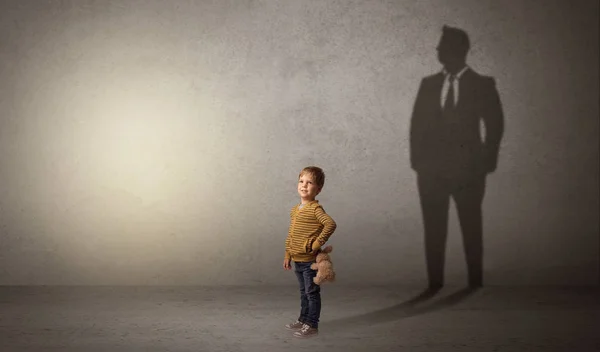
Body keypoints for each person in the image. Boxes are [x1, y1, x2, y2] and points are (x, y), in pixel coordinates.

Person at [409, 25, 504, 289]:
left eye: (443, 45)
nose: (438, 50)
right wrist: (418, 164)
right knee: (434, 229)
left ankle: (475, 281)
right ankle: (434, 283)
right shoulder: (428, 84)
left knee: (471, 225)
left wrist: (486, 163)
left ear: (459, 50)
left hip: (469, 171)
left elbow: (495, 125)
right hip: (431, 174)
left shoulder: (482, 84)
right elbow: (416, 126)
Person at [282, 166, 337, 338]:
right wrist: (287, 254)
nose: (304, 185)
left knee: (311, 293)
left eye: (310, 182)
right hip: (297, 259)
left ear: (318, 189)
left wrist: (318, 242)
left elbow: (330, 224)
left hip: (309, 261)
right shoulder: (295, 210)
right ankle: (303, 319)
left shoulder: (315, 209)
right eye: (301, 181)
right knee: (303, 292)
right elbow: (291, 233)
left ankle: (312, 325)